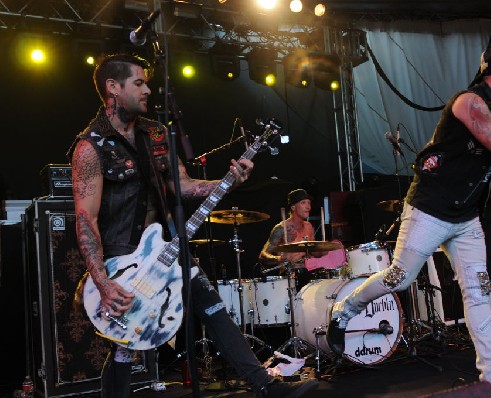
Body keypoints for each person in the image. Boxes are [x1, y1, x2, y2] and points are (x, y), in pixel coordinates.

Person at [68, 53, 318, 398]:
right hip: (121, 258)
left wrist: (227, 182)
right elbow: (86, 220)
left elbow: (183, 187)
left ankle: (267, 387)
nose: (148, 90)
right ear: (113, 87)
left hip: (169, 246)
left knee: (215, 309)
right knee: (124, 344)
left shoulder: (156, 133)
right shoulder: (89, 148)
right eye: (139, 83)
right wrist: (103, 281)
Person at [327, 43, 491, 397]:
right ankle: (345, 308)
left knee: (479, 292)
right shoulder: (469, 102)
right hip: (431, 209)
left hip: (466, 216)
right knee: (399, 278)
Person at [259, 189, 318, 291]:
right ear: (293, 207)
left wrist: (323, 251)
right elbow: (262, 255)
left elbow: (313, 253)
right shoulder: (281, 228)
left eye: (309, 203)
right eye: (303, 203)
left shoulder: (309, 226)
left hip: (307, 273)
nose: (308, 206)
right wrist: (280, 259)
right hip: (288, 277)